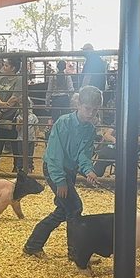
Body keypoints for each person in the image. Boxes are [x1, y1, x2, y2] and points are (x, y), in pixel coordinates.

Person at [22, 86, 103, 258]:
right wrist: (60, 180)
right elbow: (55, 154)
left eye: (95, 110)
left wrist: (89, 171)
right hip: (54, 169)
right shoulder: (63, 123)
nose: (91, 113)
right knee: (74, 207)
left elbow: (84, 154)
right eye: (87, 108)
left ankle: (33, 245)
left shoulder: (90, 129)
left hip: (69, 170)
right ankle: (75, 254)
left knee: (63, 210)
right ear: (78, 104)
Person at [0, 57, 24, 172]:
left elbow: (14, 98)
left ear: (13, 68)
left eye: (6, 65)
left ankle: (17, 170)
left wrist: (2, 110)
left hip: (12, 117)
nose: (3, 67)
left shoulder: (19, 80)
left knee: (15, 146)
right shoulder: (1, 79)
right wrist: (1, 104)